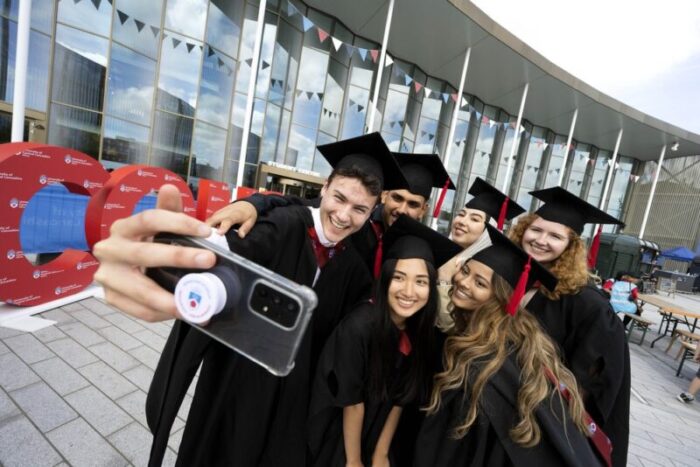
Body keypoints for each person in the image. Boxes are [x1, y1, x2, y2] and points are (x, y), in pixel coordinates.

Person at [93, 132, 409, 466]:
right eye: (339, 198)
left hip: (293, 396)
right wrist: (167, 261)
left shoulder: (354, 265)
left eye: (360, 209)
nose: (344, 216)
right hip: (239, 377)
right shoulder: (281, 225)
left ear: (373, 211)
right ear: (324, 188)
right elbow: (223, 254)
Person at [416, 224, 607, 467]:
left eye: (481, 283)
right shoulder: (506, 337)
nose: (463, 282)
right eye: (465, 271)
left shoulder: (487, 363)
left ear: (502, 298)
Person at [308, 215, 461, 467]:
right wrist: (354, 461)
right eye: (399, 277)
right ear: (385, 278)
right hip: (340, 436)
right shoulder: (358, 327)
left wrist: (381, 453)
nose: (409, 292)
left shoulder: (420, 332)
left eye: (421, 281)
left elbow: (401, 399)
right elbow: (352, 403)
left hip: (377, 434)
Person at [508, 186, 630, 467]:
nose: (540, 240)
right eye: (535, 230)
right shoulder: (516, 278)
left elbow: (588, 384)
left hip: (542, 426)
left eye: (555, 236)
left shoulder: (587, 303)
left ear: (571, 245)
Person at [206, 152, 454, 278]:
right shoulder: (362, 227)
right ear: (385, 196)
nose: (402, 209)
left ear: (424, 209)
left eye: (413, 204)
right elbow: (301, 204)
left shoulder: (420, 247)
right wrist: (253, 204)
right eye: (398, 198)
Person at [436, 177, 525, 331]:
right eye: (461, 214)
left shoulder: (488, 269)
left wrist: (444, 280)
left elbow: (452, 325)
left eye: (475, 219)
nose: (462, 221)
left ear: (488, 232)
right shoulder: (441, 252)